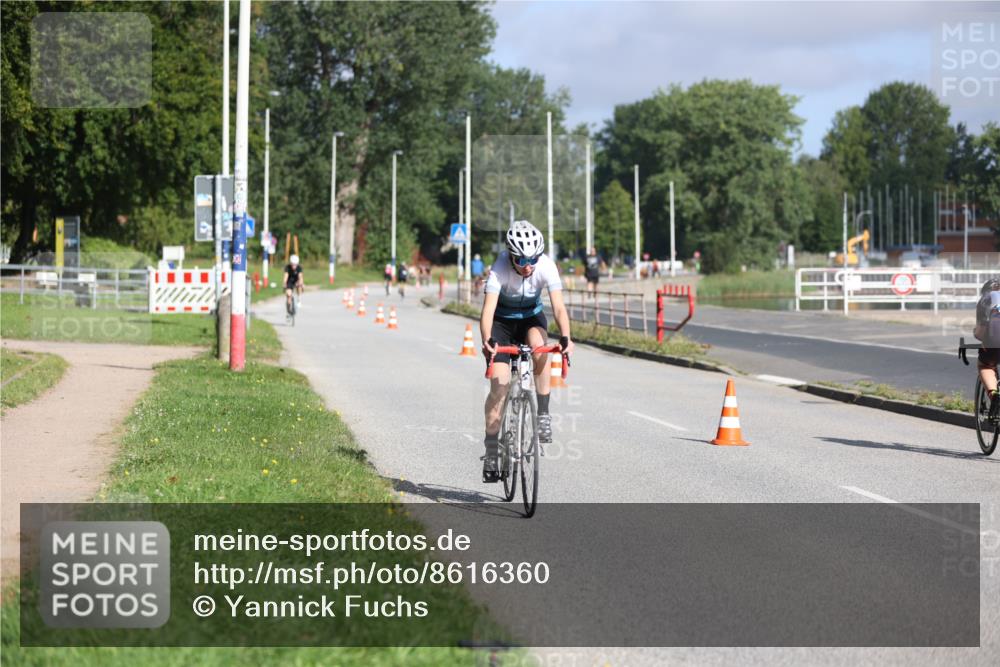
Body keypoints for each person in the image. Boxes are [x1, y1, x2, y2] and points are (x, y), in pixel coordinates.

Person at [480, 220, 574, 483]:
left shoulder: (545, 265)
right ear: (511, 255)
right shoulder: (499, 268)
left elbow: (558, 307)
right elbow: (487, 311)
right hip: (501, 324)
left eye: (533, 258)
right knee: (499, 389)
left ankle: (542, 412)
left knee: (540, 348)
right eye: (522, 260)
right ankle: (490, 449)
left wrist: (566, 337)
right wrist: (487, 340)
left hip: (531, 320)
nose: (528, 264)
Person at [974, 278, 1000, 417]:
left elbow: (980, 332)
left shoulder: (986, 299)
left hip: (996, 338)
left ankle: (994, 395)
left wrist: (977, 335)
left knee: (985, 365)